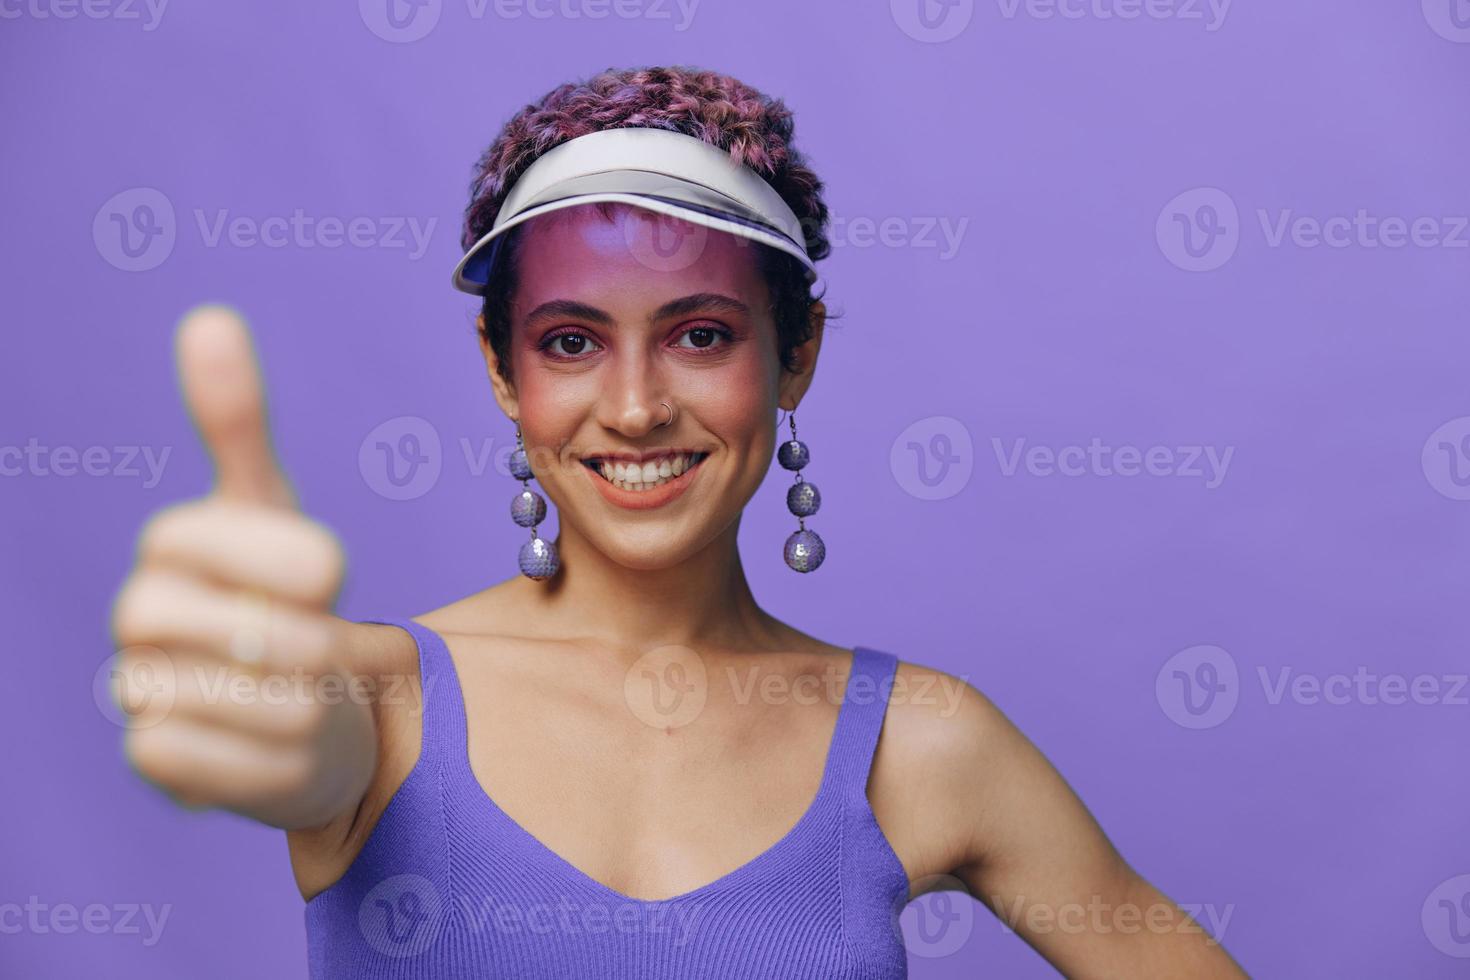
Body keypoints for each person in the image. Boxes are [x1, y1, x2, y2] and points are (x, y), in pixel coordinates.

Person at [108, 65, 1249, 978]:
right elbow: (299, 738)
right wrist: (246, 696)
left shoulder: (920, 742)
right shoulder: (374, 700)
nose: (639, 405)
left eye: (701, 333)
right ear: (503, 372)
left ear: (794, 355)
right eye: (569, 340)